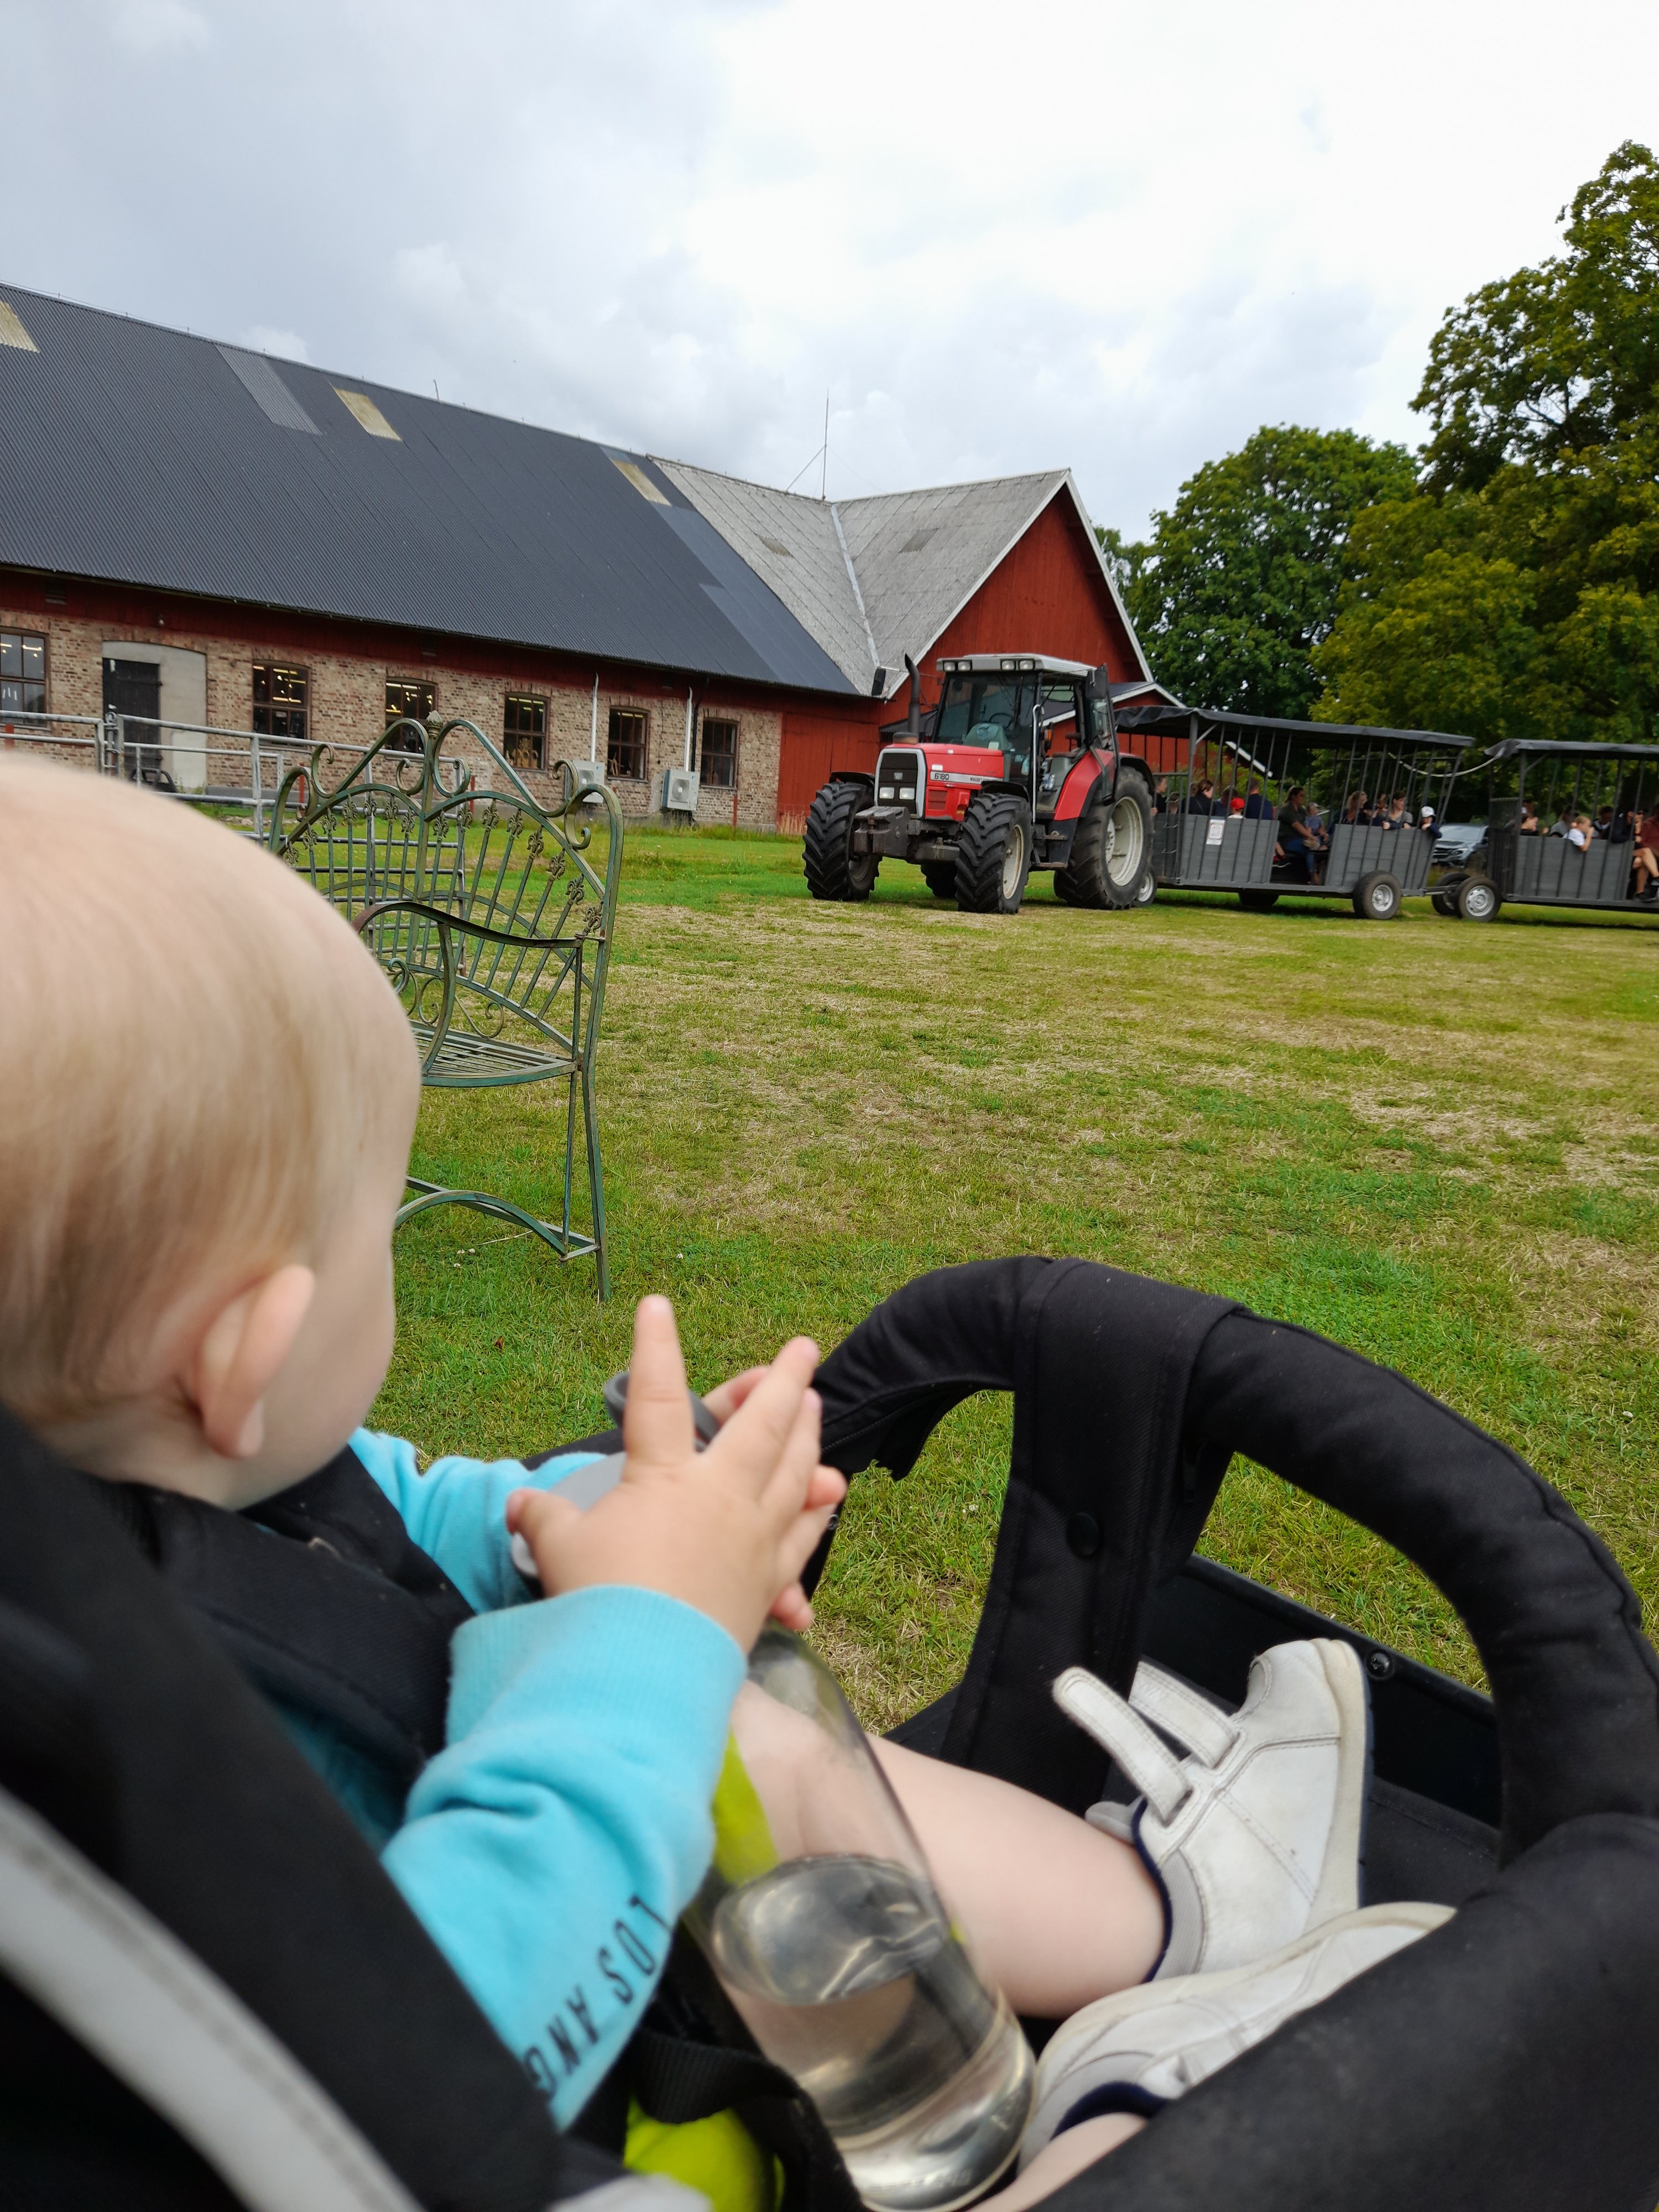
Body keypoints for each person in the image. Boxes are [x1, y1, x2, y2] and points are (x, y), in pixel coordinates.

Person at [0, 760, 1443, 2210]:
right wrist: (642, 1646)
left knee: (746, 1719)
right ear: (244, 1360)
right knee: (718, 1720)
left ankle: (1177, 1921)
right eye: (380, 1228)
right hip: (514, 2139)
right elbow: (427, 2056)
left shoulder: (138, 1489)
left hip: (662, 2048)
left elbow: (426, 1516)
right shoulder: (107, 1763)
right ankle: (1141, 2103)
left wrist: (646, 1508)